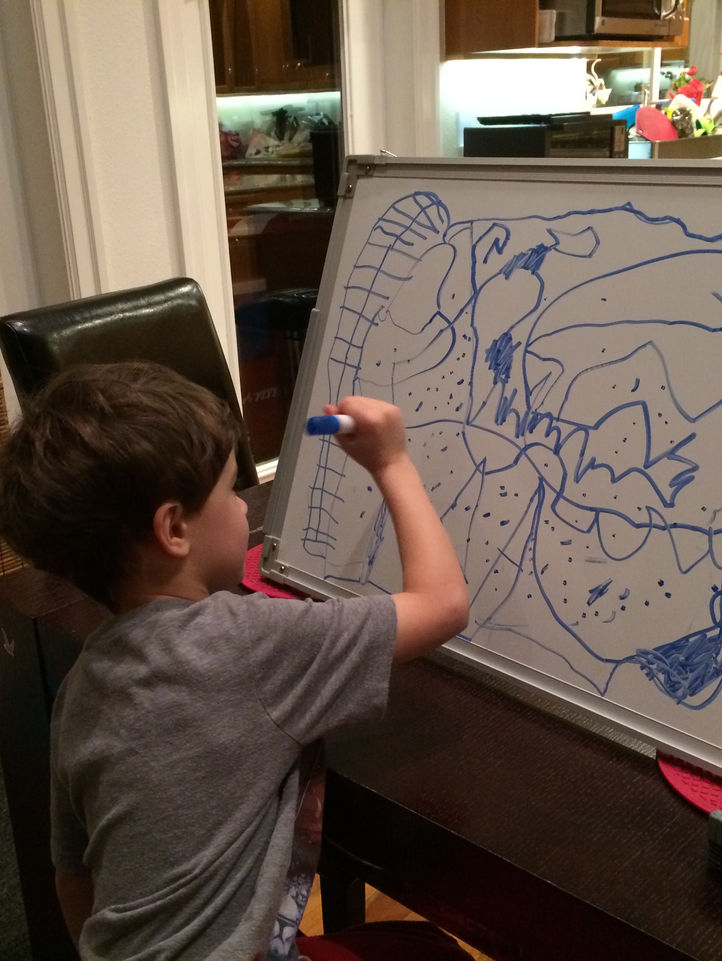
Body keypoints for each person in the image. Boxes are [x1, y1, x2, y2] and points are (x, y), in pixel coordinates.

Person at [0, 361, 471, 961]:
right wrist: (392, 461)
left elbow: (74, 878)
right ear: (174, 529)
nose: (247, 509)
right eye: (230, 490)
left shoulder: (79, 688)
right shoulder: (250, 645)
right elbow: (443, 604)